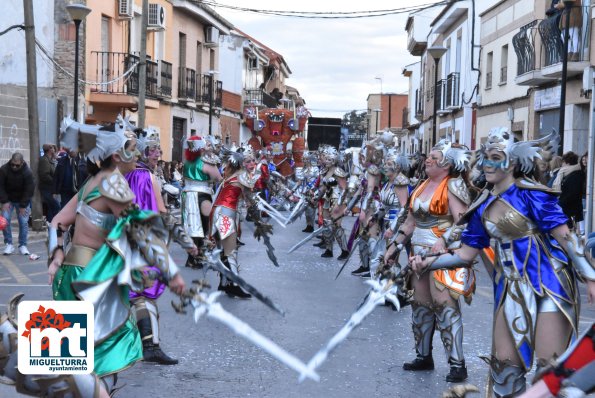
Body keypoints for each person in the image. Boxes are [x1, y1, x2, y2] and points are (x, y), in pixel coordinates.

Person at [411, 128, 595, 396]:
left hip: (550, 285)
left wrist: (590, 277)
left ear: (512, 162)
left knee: (550, 372)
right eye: (485, 157)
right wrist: (428, 264)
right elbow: (465, 255)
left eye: (495, 157)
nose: (487, 164)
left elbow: (568, 238)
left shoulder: (532, 195)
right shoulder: (482, 205)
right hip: (510, 290)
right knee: (505, 369)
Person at [48, 116, 186, 394]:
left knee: (73, 359)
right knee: (104, 356)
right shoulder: (113, 182)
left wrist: (57, 257)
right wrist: (170, 272)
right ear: (116, 154)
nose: (138, 153)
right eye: (132, 147)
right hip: (92, 281)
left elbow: (57, 223)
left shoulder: (92, 181)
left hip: (70, 275)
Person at [385, 139, 474, 382]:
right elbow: (410, 222)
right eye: (429, 156)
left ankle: (457, 363)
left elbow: (463, 222)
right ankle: (423, 356)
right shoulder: (422, 184)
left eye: (435, 157)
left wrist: (444, 240)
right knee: (420, 307)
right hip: (418, 253)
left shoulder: (453, 185)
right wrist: (394, 246)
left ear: (448, 163)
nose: (429, 160)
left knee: (445, 307)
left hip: (442, 255)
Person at [125, 128, 198, 365]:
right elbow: (164, 214)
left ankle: (136, 343)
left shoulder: (120, 175)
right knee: (144, 294)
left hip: (122, 241)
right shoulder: (147, 177)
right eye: (152, 150)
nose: (157, 154)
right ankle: (151, 345)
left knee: (131, 293)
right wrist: (186, 241)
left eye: (158, 149)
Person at [210, 148, 260, 298]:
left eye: (252, 160)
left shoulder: (232, 176)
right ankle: (235, 286)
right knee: (231, 251)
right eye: (248, 161)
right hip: (225, 214)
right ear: (241, 163)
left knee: (224, 250)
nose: (252, 163)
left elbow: (246, 197)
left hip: (218, 212)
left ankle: (224, 283)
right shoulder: (242, 176)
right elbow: (251, 197)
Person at [182, 135, 222, 268]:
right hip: (202, 195)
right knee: (204, 226)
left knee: (192, 227)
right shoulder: (207, 163)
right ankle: (196, 256)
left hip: (187, 195)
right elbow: (218, 178)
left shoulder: (186, 161)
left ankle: (192, 257)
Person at [0, 152, 34, 255]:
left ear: (22, 163)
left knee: (23, 222)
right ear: (10, 161)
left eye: (17, 165)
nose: (14, 167)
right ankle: (9, 244)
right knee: (5, 220)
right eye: (12, 164)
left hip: (22, 200)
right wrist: (4, 201)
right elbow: (0, 186)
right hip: (8, 199)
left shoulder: (27, 172)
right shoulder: (4, 170)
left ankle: (23, 245)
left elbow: (29, 190)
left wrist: (23, 205)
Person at [555, 151, 584, 230]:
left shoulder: (575, 175)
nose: (562, 165)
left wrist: (560, 203)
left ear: (566, 162)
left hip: (571, 210)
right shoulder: (571, 173)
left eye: (563, 162)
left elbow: (571, 193)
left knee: (571, 233)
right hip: (569, 209)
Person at [38, 143, 60, 222]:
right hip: (46, 189)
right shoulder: (44, 160)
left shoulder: (50, 160)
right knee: (57, 206)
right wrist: (54, 182)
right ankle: (53, 223)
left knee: (51, 208)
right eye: (53, 149)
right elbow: (44, 175)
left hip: (50, 189)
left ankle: (51, 225)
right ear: (50, 150)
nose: (55, 150)